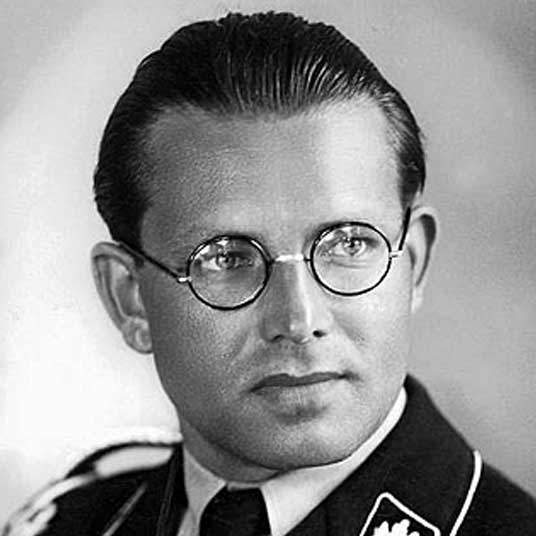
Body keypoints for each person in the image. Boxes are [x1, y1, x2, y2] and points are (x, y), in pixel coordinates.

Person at [4, 10, 536, 536]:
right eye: (226, 258)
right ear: (130, 298)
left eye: (349, 244)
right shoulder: (70, 524)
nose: (299, 320)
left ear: (412, 263)